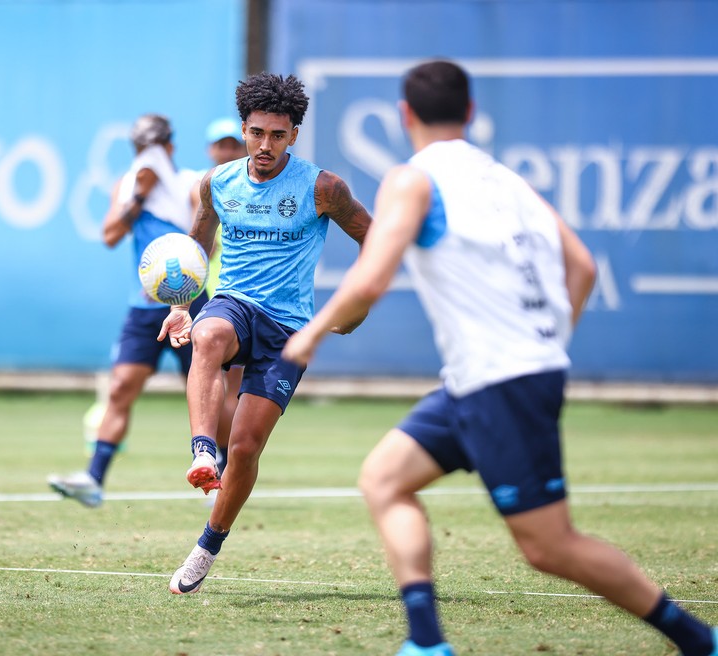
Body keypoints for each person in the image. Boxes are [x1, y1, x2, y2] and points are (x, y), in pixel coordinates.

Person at [282, 59, 717, 656]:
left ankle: (698, 640)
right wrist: (548, 341)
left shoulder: (412, 179)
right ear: (471, 113)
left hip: (501, 381)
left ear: (405, 115)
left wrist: (310, 334)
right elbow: (583, 267)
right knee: (384, 480)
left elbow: (372, 275)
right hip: (479, 381)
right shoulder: (507, 180)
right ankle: (427, 642)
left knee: (549, 547)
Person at [158, 72, 374, 594]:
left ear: (294, 135)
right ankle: (203, 451)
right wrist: (182, 305)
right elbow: (197, 246)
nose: (265, 146)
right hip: (233, 304)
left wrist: (356, 305)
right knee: (208, 338)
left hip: (288, 330)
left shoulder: (324, 188)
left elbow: (379, 241)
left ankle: (208, 544)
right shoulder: (216, 183)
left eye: (278, 135)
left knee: (249, 448)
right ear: (244, 129)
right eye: (256, 133)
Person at [47, 113, 206, 508]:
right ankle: (94, 478)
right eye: (139, 147)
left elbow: (207, 235)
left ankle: (215, 468)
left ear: (169, 146)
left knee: (207, 391)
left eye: (153, 146)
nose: (146, 155)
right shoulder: (128, 185)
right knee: (120, 388)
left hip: (188, 304)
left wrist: (184, 281)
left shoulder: (190, 183)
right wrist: (138, 196)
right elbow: (110, 235)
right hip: (144, 306)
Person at [192, 117, 248, 478]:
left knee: (233, 392)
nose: (226, 151)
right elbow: (196, 241)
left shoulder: (251, 188)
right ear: (211, 149)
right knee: (211, 380)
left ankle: (224, 462)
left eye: (232, 144)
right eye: (220, 145)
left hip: (247, 301)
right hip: (211, 296)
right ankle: (208, 455)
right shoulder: (208, 188)